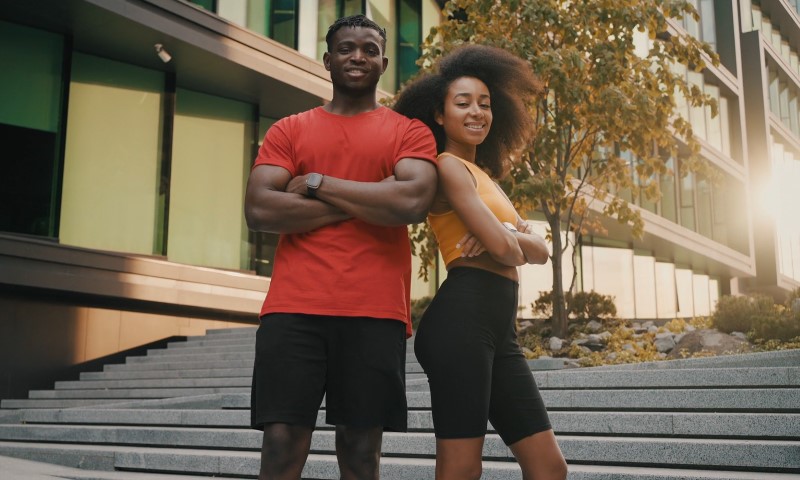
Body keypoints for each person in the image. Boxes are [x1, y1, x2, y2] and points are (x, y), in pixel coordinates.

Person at [243, 14, 438, 480]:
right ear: (328, 60)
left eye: (369, 49)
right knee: (281, 444)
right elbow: (260, 210)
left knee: (360, 449)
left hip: (374, 310)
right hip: (294, 307)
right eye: (347, 48)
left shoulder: (409, 132)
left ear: (384, 62)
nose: (358, 56)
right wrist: (373, 196)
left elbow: (411, 201)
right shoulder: (289, 129)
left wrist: (314, 183)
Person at [393, 44, 568, 480]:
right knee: (462, 468)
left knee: (549, 468)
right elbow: (514, 251)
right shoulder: (448, 167)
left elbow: (543, 251)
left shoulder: (487, 178)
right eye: (463, 103)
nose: (477, 112)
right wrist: (512, 238)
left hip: (498, 331)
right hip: (461, 325)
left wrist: (504, 234)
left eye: (485, 104)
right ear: (439, 114)